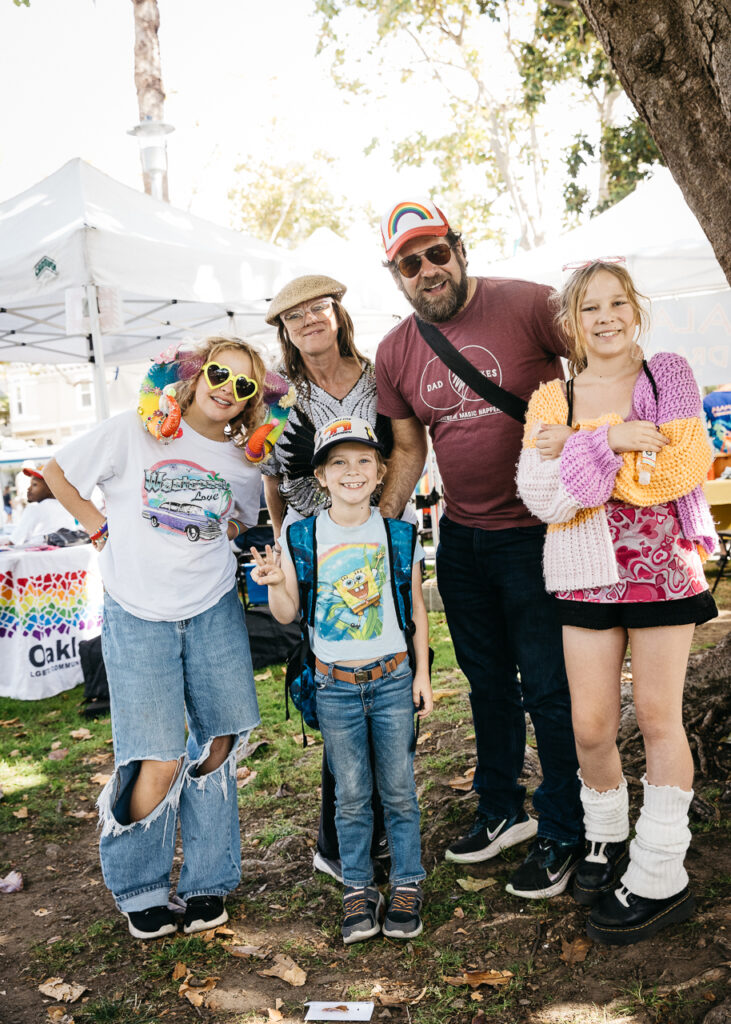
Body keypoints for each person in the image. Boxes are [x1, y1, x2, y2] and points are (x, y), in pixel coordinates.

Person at [375, 197, 583, 899]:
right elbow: (407, 447)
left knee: (548, 689)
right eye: (411, 262)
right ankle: (501, 809)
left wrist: (591, 448)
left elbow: (598, 364)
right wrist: (380, 525)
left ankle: (564, 825)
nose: (428, 269)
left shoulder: (528, 305)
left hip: (539, 535)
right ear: (397, 275)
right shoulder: (396, 351)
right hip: (461, 541)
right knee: (486, 685)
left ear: (459, 251)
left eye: (437, 253)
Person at [516, 261, 717, 945]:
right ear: (570, 323)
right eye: (588, 309)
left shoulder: (669, 375)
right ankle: (604, 838)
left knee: (660, 718)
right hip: (584, 576)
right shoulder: (552, 397)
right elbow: (542, 498)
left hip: (662, 570)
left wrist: (579, 456)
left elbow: (682, 469)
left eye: (616, 303)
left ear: (635, 308)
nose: (604, 318)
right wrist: (610, 438)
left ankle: (661, 869)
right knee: (591, 727)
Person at [43, 336, 264, 941]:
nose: (229, 389)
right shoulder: (132, 431)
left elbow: (244, 519)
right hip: (137, 613)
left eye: (245, 385)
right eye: (221, 374)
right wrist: (96, 527)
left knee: (217, 744)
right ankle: (140, 887)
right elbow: (58, 472)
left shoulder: (243, 460)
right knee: (158, 757)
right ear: (194, 375)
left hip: (213, 607)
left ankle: (207, 884)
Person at [251, 417, 433, 944]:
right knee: (350, 794)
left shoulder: (399, 535)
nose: (351, 471)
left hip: (394, 679)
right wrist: (273, 583)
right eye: (339, 463)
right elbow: (289, 615)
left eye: (362, 461)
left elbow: (416, 610)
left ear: (380, 473)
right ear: (321, 477)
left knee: (398, 789)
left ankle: (406, 881)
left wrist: (422, 674)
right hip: (334, 685)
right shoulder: (301, 535)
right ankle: (357, 886)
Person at [262, 274, 393, 884]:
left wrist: (385, 523)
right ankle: (337, 841)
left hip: (370, 545)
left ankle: (385, 829)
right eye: (295, 316)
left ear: (338, 314)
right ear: (285, 331)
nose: (309, 320)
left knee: (386, 680)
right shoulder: (279, 396)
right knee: (333, 687)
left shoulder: (377, 376)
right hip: (313, 554)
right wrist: (286, 545)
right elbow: (271, 477)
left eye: (318, 309)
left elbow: (404, 446)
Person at [8, 465, 77, 545]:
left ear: (50, 489)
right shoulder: (66, 506)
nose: (29, 488)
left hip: (39, 553)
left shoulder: (34, 508)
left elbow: (15, 541)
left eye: (34, 485)